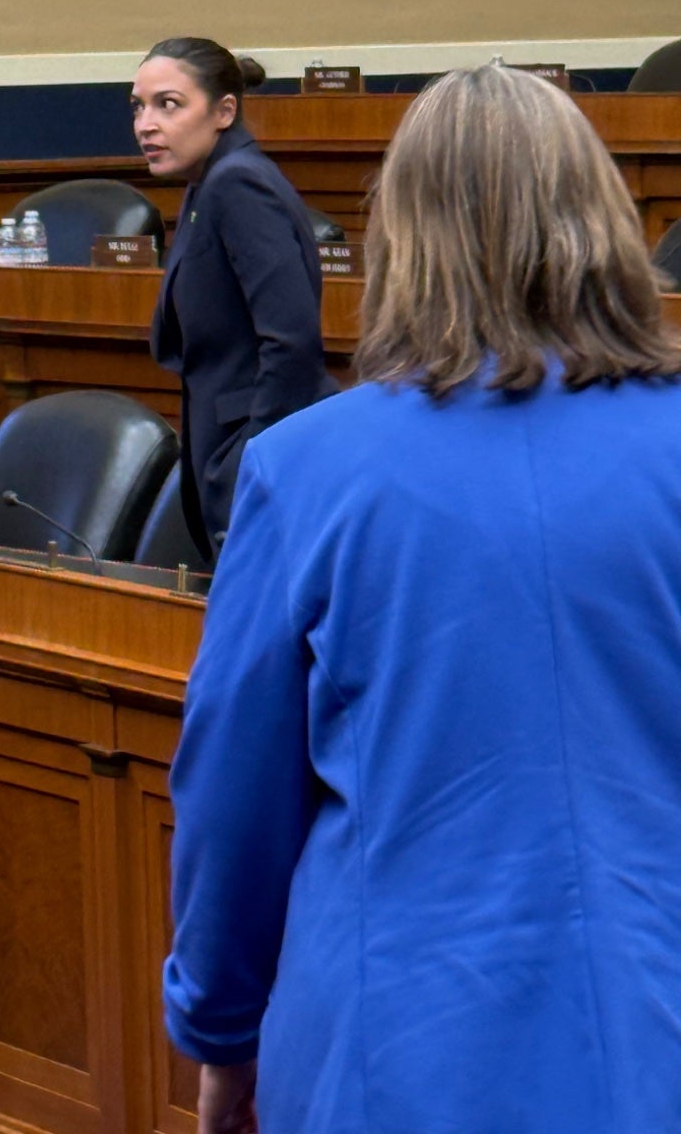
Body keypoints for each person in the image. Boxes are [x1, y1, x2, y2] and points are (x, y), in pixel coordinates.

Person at [164, 64, 681, 1134]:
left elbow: (233, 794)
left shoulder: (306, 468)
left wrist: (219, 1030)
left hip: (394, 1045)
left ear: (403, 239)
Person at [133, 38, 328, 560]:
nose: (146, 124)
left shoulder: (238, 183)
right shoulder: (207, 183)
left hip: (256, 459)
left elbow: (292, 342)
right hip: (226, 449)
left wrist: (248, 463)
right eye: (138, 106)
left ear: (224, 111)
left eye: (168, 105)